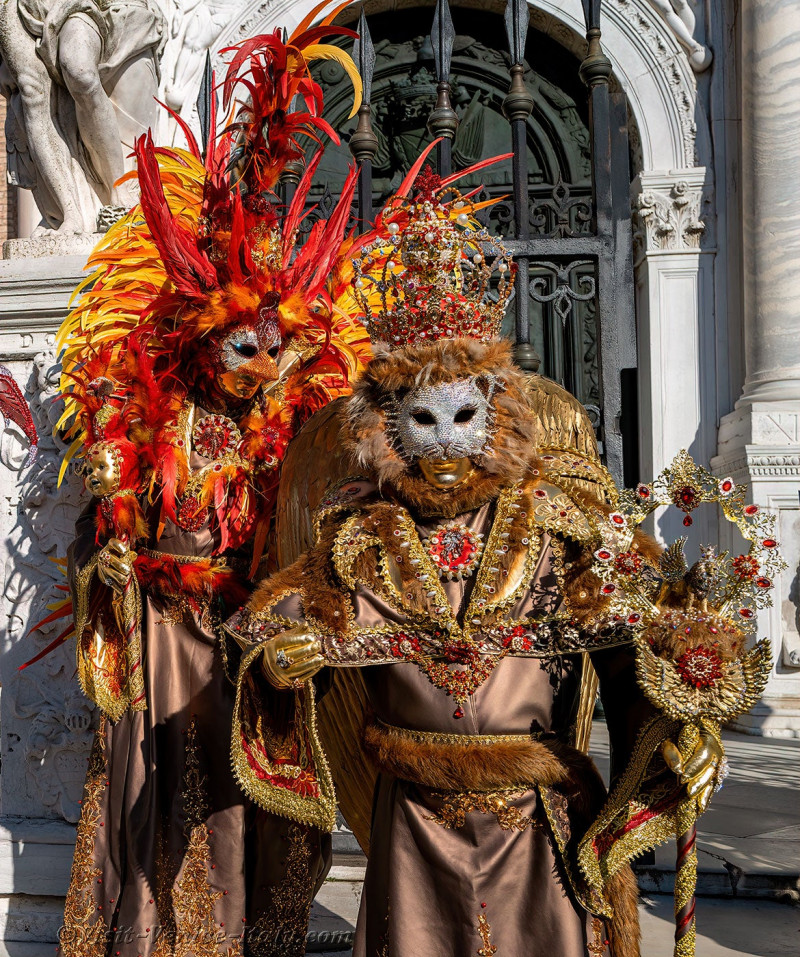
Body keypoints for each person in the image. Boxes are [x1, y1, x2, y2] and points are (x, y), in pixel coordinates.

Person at [227, 158, 774, 956]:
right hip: (411, 822)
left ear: (500, 409)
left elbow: (635, 651)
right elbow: (268, 631)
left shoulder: (560, 522)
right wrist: (281, 666)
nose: (446, 442)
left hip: (537, 826)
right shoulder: (358, 535)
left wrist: (677, 729)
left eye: (464, 414)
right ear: (386, 422)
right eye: (422, 418)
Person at [48, 14, 368, 955]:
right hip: (167, 639)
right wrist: (110, 556)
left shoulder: (296, 435)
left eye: (277, 347)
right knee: (160, 801)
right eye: (242, 343)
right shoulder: (157, 417)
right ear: (202, 335)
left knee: (247, 809)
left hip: (251, 642)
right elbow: (113, 527)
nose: (258, 363)